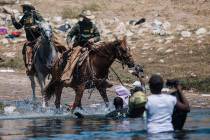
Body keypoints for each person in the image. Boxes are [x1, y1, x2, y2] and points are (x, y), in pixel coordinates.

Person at [10, 2, 44, 74]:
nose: (24, 9)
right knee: (26, 51)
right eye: (23, 8)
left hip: (39, 38)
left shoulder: (36, 15)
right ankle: (29, 66)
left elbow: (43, 24)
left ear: (30, 9)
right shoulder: (25, 17)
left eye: (25, 8)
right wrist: (13, 19)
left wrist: (36, 26)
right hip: (30, 40)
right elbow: (18, 26)